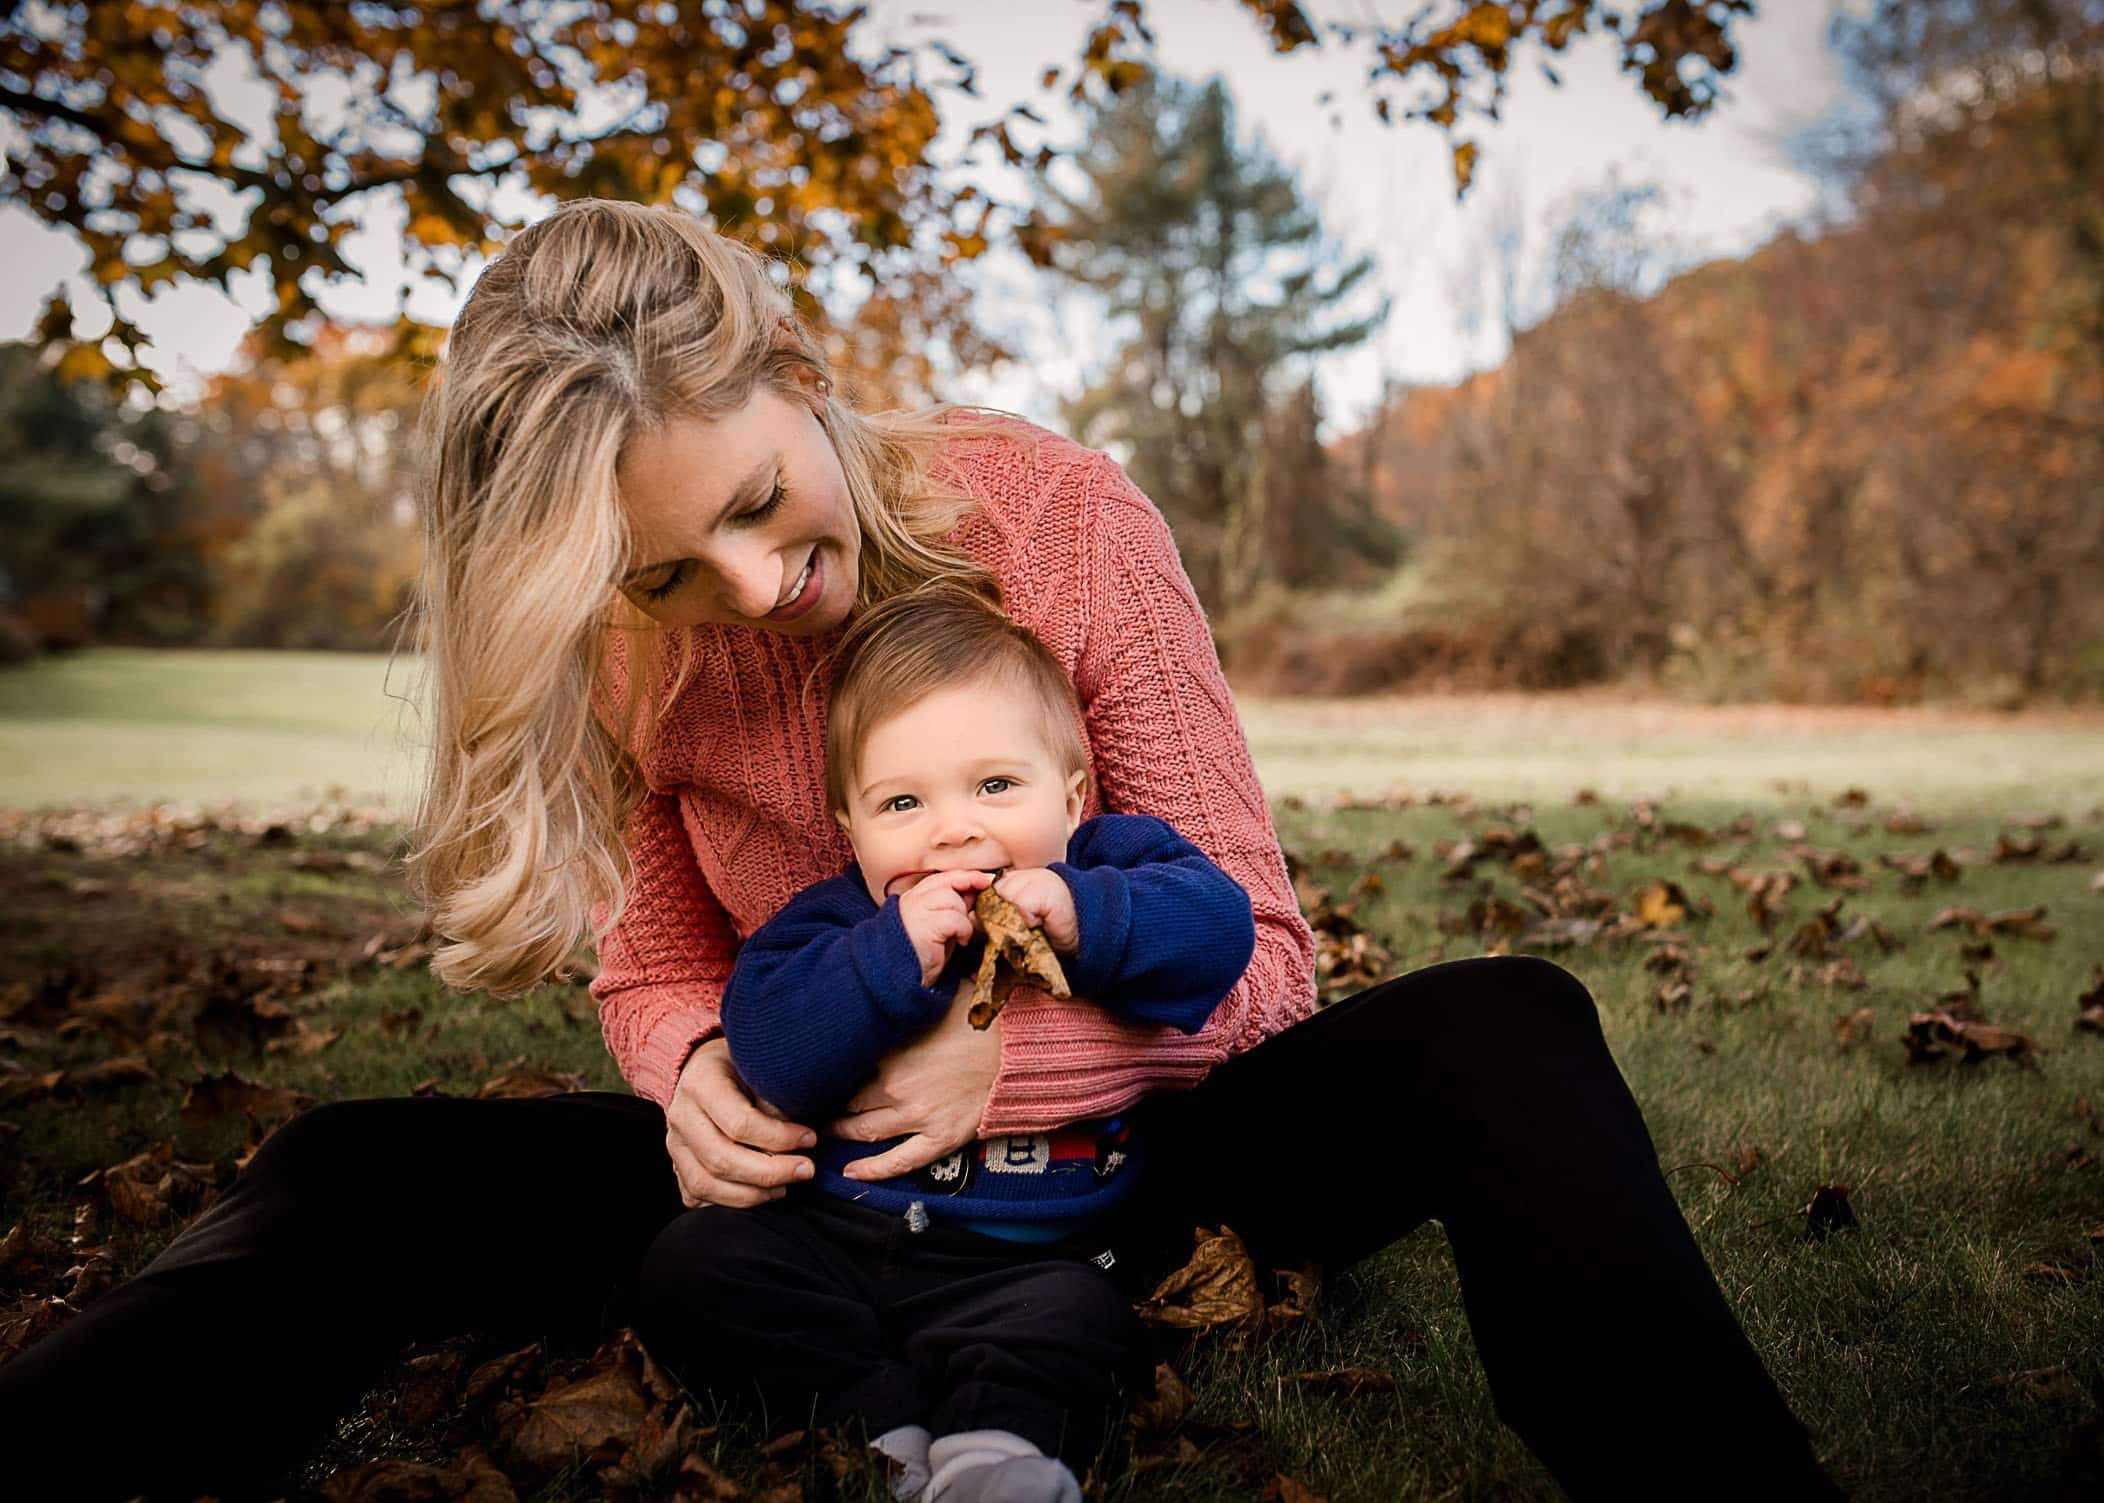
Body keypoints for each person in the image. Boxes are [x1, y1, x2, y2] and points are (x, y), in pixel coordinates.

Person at [0, 198, 1846, 1503]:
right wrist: (695, 1068)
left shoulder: (1053, 518)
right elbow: (649, 958)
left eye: (748, 504)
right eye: (662, 571)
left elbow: (1260, 957)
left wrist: (1016, 1028)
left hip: (1137, 1155)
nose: (745, 589)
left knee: (1505, 1023)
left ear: (796, 372)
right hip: (814, 1186)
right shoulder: (630, 639)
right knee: (346, 1168)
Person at [636, 579, 1257, 1502]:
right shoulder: (838, 923)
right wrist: (885, 959)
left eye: (997, 785)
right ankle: (880, 1422)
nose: (952, 830)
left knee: (1076, 1319)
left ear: (1075, 792)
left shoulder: (1114, 863)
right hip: (841, 1240)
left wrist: (1090, 918)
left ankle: (994, 1455)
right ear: (848, 827)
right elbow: (767, 1050)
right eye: (900, 805)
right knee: (695, 1262)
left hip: (1039, 1254)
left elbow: (1224, 932)